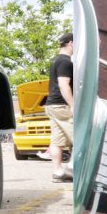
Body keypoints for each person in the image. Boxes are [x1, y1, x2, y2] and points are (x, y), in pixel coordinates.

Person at [45, 30, 76, 183]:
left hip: (52, 104)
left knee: (57, 140)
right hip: (62, 105)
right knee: (79, 138)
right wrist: (73, 105)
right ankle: (72, 168)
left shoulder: (56, 60)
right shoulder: (65, 61)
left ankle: (58, 173)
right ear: (70, 42)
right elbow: (64, 85)